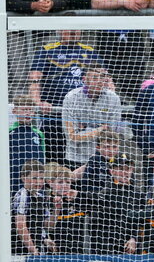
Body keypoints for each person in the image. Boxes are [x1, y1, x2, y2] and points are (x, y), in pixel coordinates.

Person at [89, 0, 154, 101]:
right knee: (107, 75)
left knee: (135, 75)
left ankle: (131, 112)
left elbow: (145, 2)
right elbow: (95, 2)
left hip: (133, 33)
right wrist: (123, 1)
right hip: (108, 34)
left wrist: (115, 3)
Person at [27, 30, 104, 164]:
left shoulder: (90, 51)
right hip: (54, 115)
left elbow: (106, 81)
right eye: (68, 28)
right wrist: (39, 103)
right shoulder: (47, 50)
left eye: (76, 29)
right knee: (54, 160)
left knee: (84, 162)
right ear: (59, 30)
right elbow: (34, 80)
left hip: (84, 118)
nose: (73, 32)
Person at [61, 66, 123, 167]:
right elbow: (71, 136)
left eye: (102, 77)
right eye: (95, 78)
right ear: (84, 79)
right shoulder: (71, 98)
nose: (99, 81)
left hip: (104, 157)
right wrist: (100, 129)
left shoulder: (113, 98)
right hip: (76, 157)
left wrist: (84, 129)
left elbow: (112, 133)